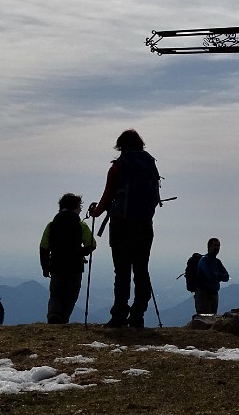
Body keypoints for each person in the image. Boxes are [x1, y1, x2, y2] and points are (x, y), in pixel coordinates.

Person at [89, 129, 162, 329]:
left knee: (121, 272)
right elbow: (154, 198)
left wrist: (95, 211)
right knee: (141, 269)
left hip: (121, 225)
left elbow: (106, 197)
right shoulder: (150, 165)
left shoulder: (118, 168)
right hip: (144, 225)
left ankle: (119, 315)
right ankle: (138, 315)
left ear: (120, 146)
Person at [41, 193, 97, 324]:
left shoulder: (52, 225)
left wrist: (45, 267)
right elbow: (92, 244)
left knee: (56, 293)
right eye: (80, 206)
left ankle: (54, 315)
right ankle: (64, 318)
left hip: (56, 265)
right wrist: (80, 253)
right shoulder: (80, 225)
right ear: (75, 207)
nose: (81, 209)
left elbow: (44, 247)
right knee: (71, 294)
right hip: (75, 266)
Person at [193, 237, 230, 315]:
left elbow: (227, 277)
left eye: (218, 246)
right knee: (204, 318)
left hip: (213, 294)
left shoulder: (217, 261)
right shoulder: (204, 260)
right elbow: (211, 276)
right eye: (215, 245)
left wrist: (216, 274)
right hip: (203, 294)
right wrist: (219, 275)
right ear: (209, 247)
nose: (217, 248)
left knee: (212, 318)